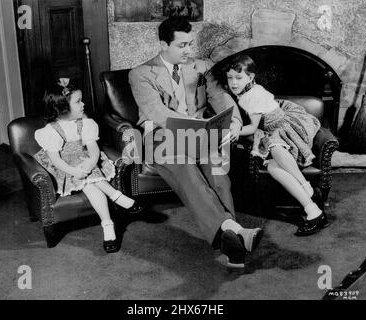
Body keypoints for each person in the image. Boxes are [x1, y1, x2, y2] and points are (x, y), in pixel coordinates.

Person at [128, 17, 263, 269]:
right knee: (186, 169)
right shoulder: (141, 74)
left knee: (218, 173)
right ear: (163, 44)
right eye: (182, 45)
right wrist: (195, 125)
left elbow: (221, 97)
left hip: (200, 135)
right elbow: (158, 113)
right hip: (161, 136)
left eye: (191, 44)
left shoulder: (202, 67)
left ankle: (231, 242)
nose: (189, 50)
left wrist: (234, 121)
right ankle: (233, 232)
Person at [219, 53, 329, 236]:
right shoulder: (247, 91)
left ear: (251, 77)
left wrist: (235, 131)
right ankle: (314, 211)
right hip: (271, 132)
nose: (234, 83)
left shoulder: (251, 96)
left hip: (285, 128)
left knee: (274, 146)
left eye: (239, 78)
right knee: (272, 166)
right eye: (230, 78)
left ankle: (305, 185)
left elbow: (253, 127)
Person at [33, 79, 144, 253]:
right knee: (88, 177)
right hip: (65, 168)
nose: (83, 104)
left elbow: (92, 146)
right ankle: (116, 196)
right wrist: (73, 171)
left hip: (86, 164)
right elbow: (55, 159)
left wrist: (92, 161)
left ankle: (108, 227)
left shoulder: (85, 123)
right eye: (78, 101)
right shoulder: (51, 131)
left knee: (91, 186)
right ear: (62, 108)